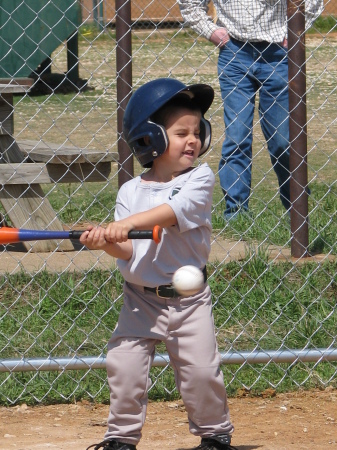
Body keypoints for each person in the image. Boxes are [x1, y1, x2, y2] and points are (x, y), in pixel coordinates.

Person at [83, 78, 236, 450]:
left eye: (197, 132)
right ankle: (120, 438)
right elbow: (128, 253)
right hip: (140, 299)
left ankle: (215, 435)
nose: (193, 140)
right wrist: (106, 243)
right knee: (124, 367)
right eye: (181, 132)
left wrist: (127, 225)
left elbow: (173, 212)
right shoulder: (130, 191)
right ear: (149, 138)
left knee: (201, 372)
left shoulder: (199, 179)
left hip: (189, 301)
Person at [178, 0, 324, 219]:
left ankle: (298, 211)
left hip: (279, 54)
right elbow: (189, 4)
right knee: (237, 137)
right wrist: (213, 32)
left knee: (283, 141)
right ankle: (236, 215)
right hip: (234, 53)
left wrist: (293, 31)